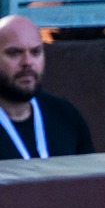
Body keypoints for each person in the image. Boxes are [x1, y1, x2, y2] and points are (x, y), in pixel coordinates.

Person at [0, 14, 94, 161]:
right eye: (15, 53)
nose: (27, 62)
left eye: (35, 52)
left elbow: (91, 178)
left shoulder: (64, 114)